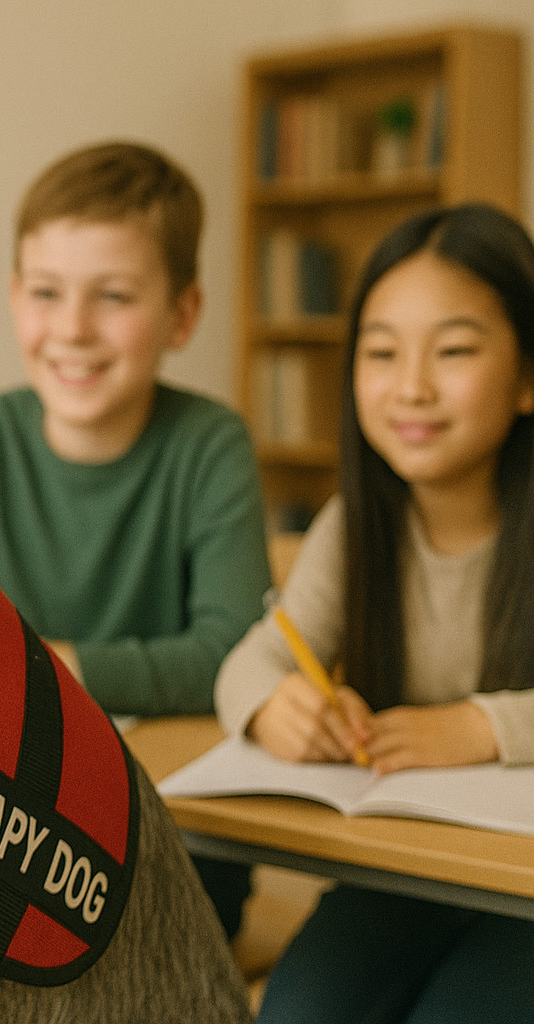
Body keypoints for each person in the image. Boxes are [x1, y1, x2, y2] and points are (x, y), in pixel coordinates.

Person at [0, 141, 270, 938]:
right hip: (6, 821)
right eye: (47, 293)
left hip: (178, 835)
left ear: (183, 314)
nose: (74, 329)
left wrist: (52, 668)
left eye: (114, 296)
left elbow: (230, 653)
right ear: (16, 300)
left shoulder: (211, 446)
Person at [217, 203, 534, 1023]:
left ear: (528, 374)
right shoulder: (357, 526)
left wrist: (481, 728)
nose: (412, 386)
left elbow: (479, 732)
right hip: (409, 871)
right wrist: (274, 707)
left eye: (455, 350)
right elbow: (256, 659)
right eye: (382, 352)